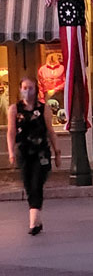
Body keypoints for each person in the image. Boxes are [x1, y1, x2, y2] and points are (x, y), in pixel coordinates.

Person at [7, 77, 60, 234]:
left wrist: (57, 153)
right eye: (24, 88)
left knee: (37, 182)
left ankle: (33, 221)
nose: (27, 91)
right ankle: (36, 217)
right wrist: (10, 152)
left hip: (41, 152)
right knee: (28, 184)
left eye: (30, 88)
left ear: (36, 90)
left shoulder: (43, 109)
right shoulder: (14, 109)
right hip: (24, 151)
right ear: (20, 89)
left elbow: (51, 131)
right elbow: (10, 132)